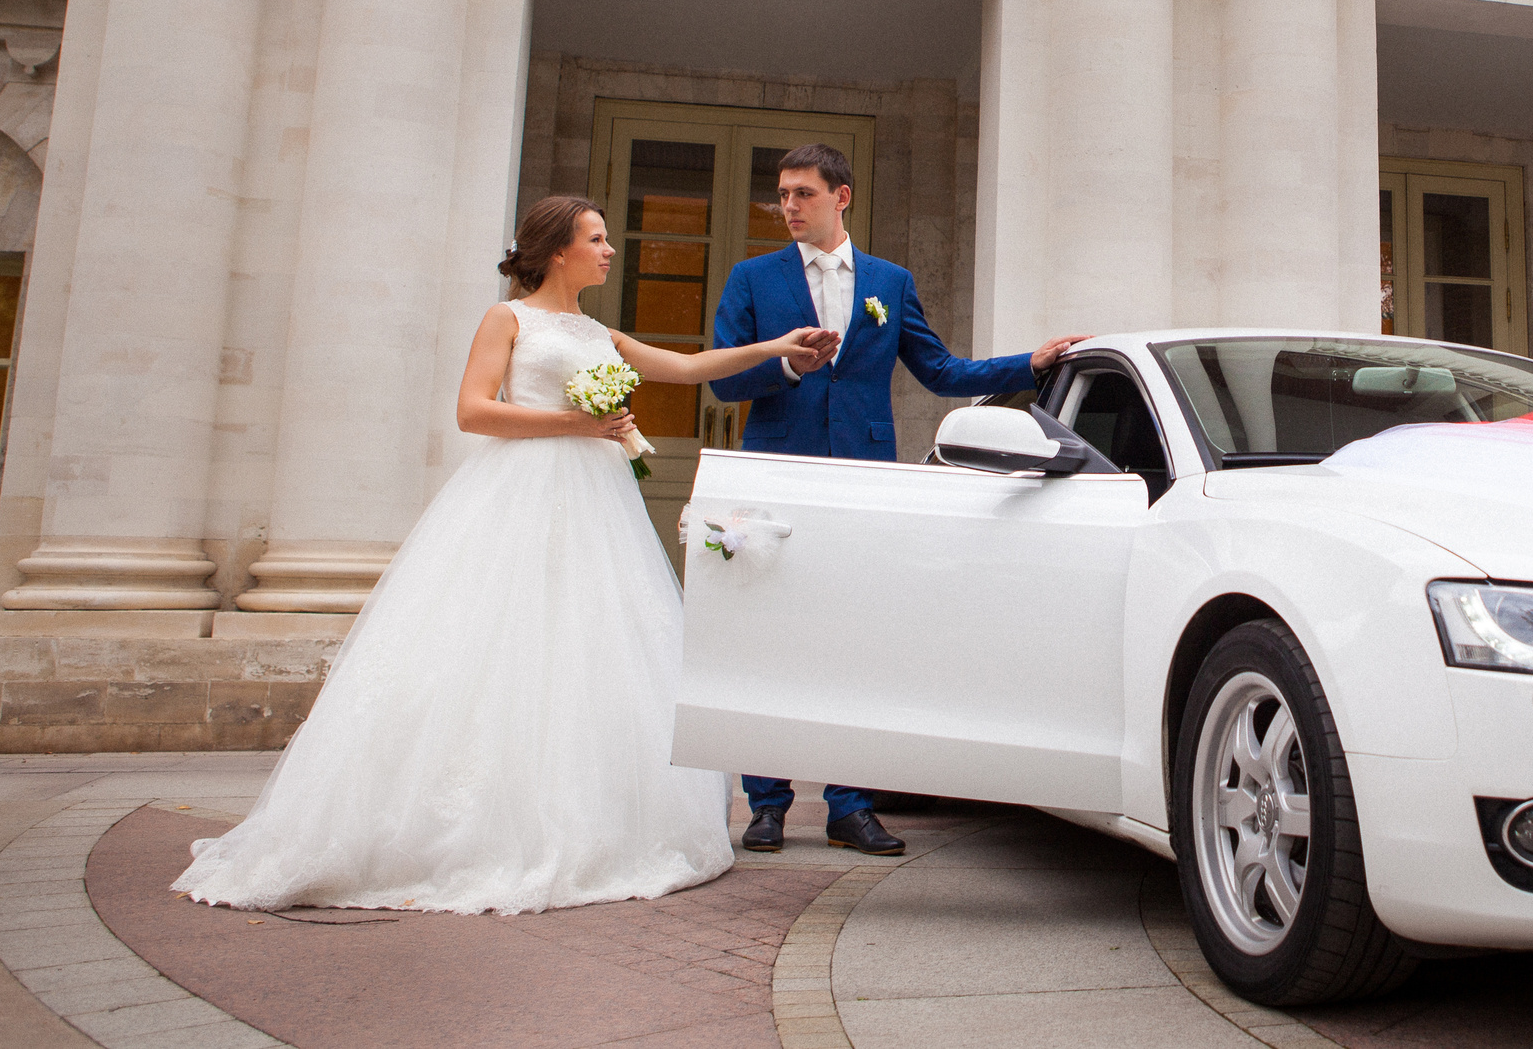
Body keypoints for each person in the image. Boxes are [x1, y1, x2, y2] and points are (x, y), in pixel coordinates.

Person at [172, 196, 832, 914]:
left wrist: (776, 348)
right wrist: (576, 421)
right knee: (497, 640)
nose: (610, 249)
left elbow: (686, 364)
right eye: (597, 238)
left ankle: (594, 817)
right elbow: (473, 409)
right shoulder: (507, 318)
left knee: (588, 645)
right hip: (522, 489)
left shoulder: (594, 330)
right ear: (557, 250)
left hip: (595, 499)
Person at [712, 142, 1086, 857]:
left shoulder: (889, 280)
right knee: (772, 637)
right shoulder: (752, 278)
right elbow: (725, 380)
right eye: (782, 195)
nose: (788, 206)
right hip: (777, 474)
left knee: (858, 639)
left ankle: (851, 805)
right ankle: (767, 803)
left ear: (841, 196)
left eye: (802, 194)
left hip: (862, 479)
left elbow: (942, 369)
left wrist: (1029, 363)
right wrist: (786, 366)